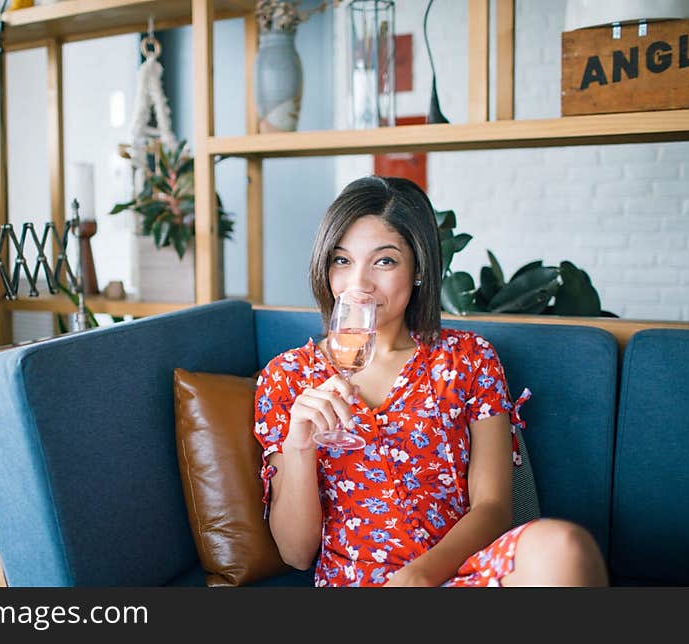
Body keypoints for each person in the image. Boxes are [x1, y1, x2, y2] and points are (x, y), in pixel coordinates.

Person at [253, 175, 608, 587]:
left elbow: (493, 506)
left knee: (564, 546)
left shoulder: (470, 358)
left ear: (419, 268)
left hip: (458, 574)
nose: (358, 285)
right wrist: (299, 446)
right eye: (342, 260)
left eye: (384, 261)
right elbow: (297, 554)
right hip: (358, 583)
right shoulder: (287, 377)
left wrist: (420, 576)